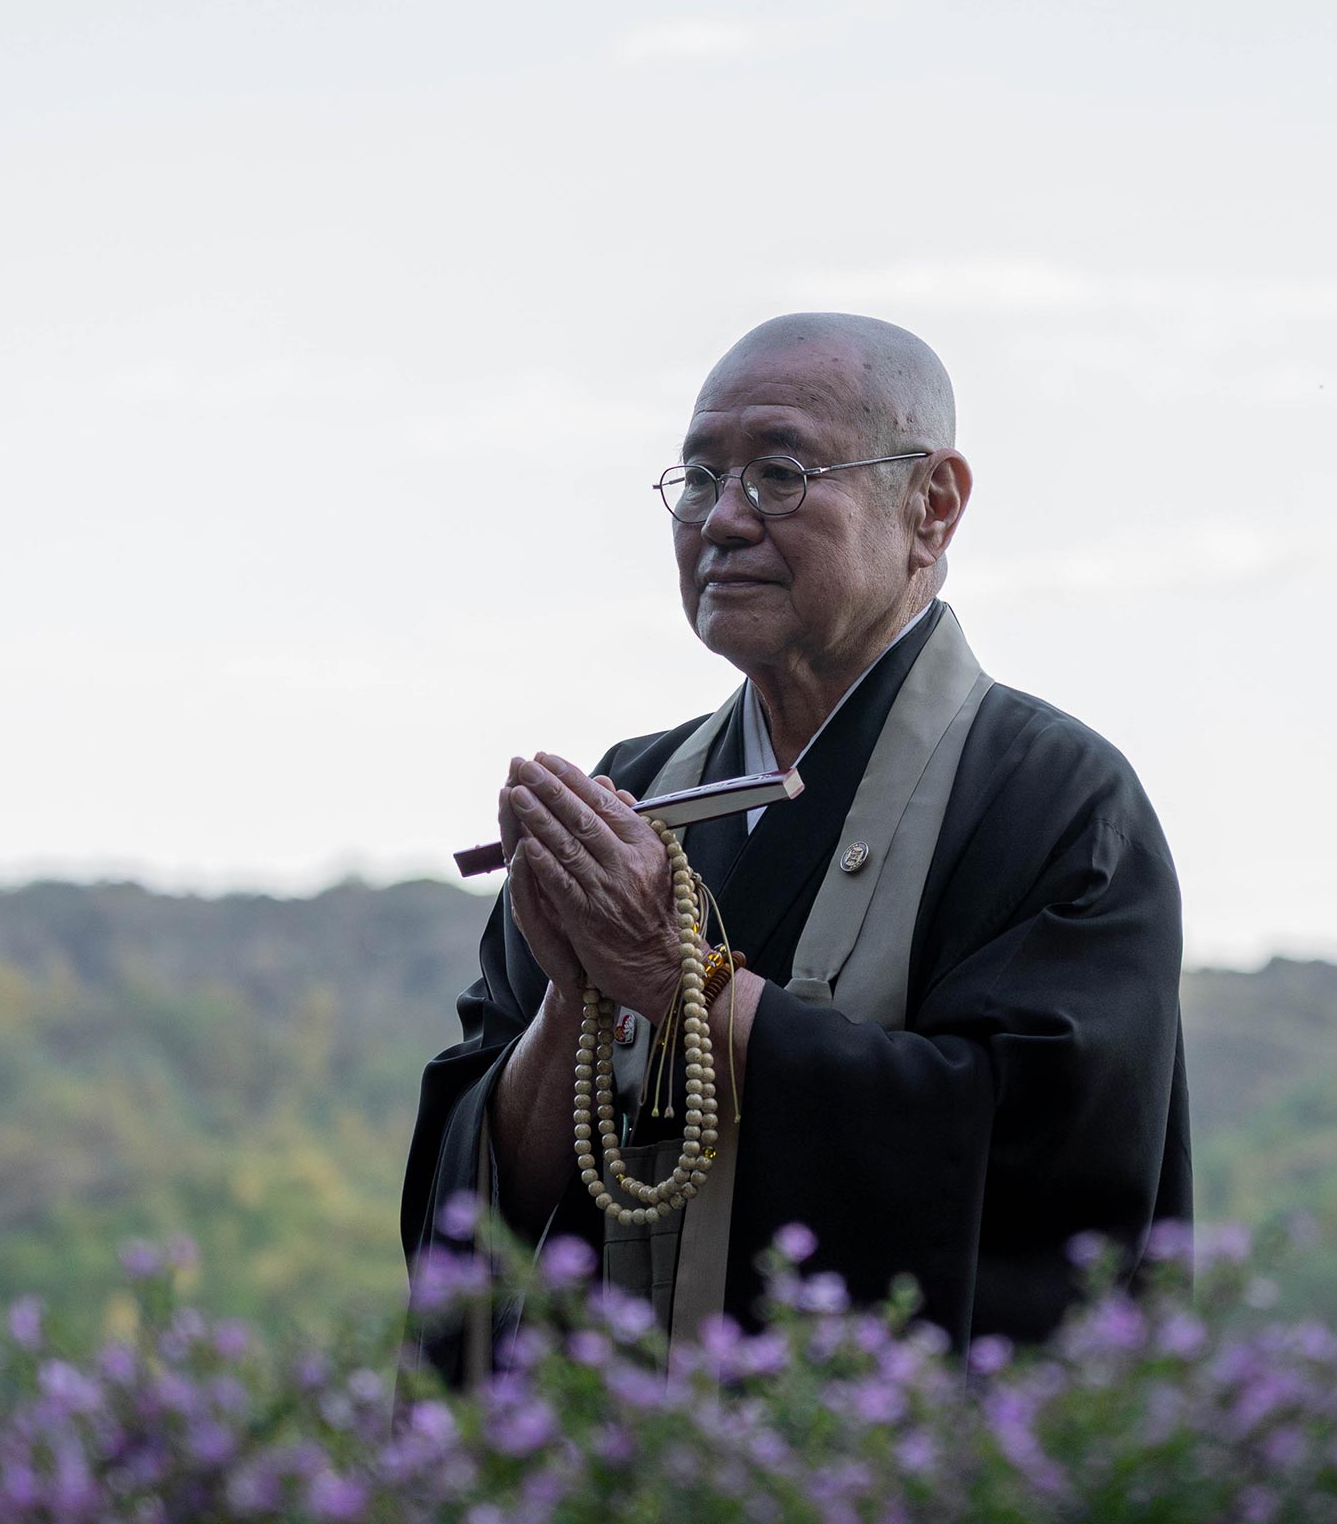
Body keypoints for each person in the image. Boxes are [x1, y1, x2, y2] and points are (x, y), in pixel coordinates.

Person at [402, 312, 1190, 1383]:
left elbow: (1037, 1178)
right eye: (697, 478)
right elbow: (475, 1200)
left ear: (931, 505)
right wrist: (576, 997)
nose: (723, 520)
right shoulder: (630, 798)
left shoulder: (1050, 799)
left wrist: (681, 983)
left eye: (778, 473)